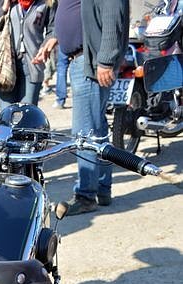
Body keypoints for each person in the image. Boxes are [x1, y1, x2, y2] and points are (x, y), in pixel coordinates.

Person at [35, 0, 129, 214]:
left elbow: (113, 14)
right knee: (97, 129)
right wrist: (54, 37)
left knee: (84, 134)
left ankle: (86, 195)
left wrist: (106, 60)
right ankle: (102, 189)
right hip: (83, 59)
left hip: (91, 60)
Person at [0, 0, 56, 107]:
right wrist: (4, 8)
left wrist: (44, 47)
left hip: (33, 64)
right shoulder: (3, 1)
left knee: (27, 112)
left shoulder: (46, 2)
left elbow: (53, 29)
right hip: (6, 65)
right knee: (8, 113)